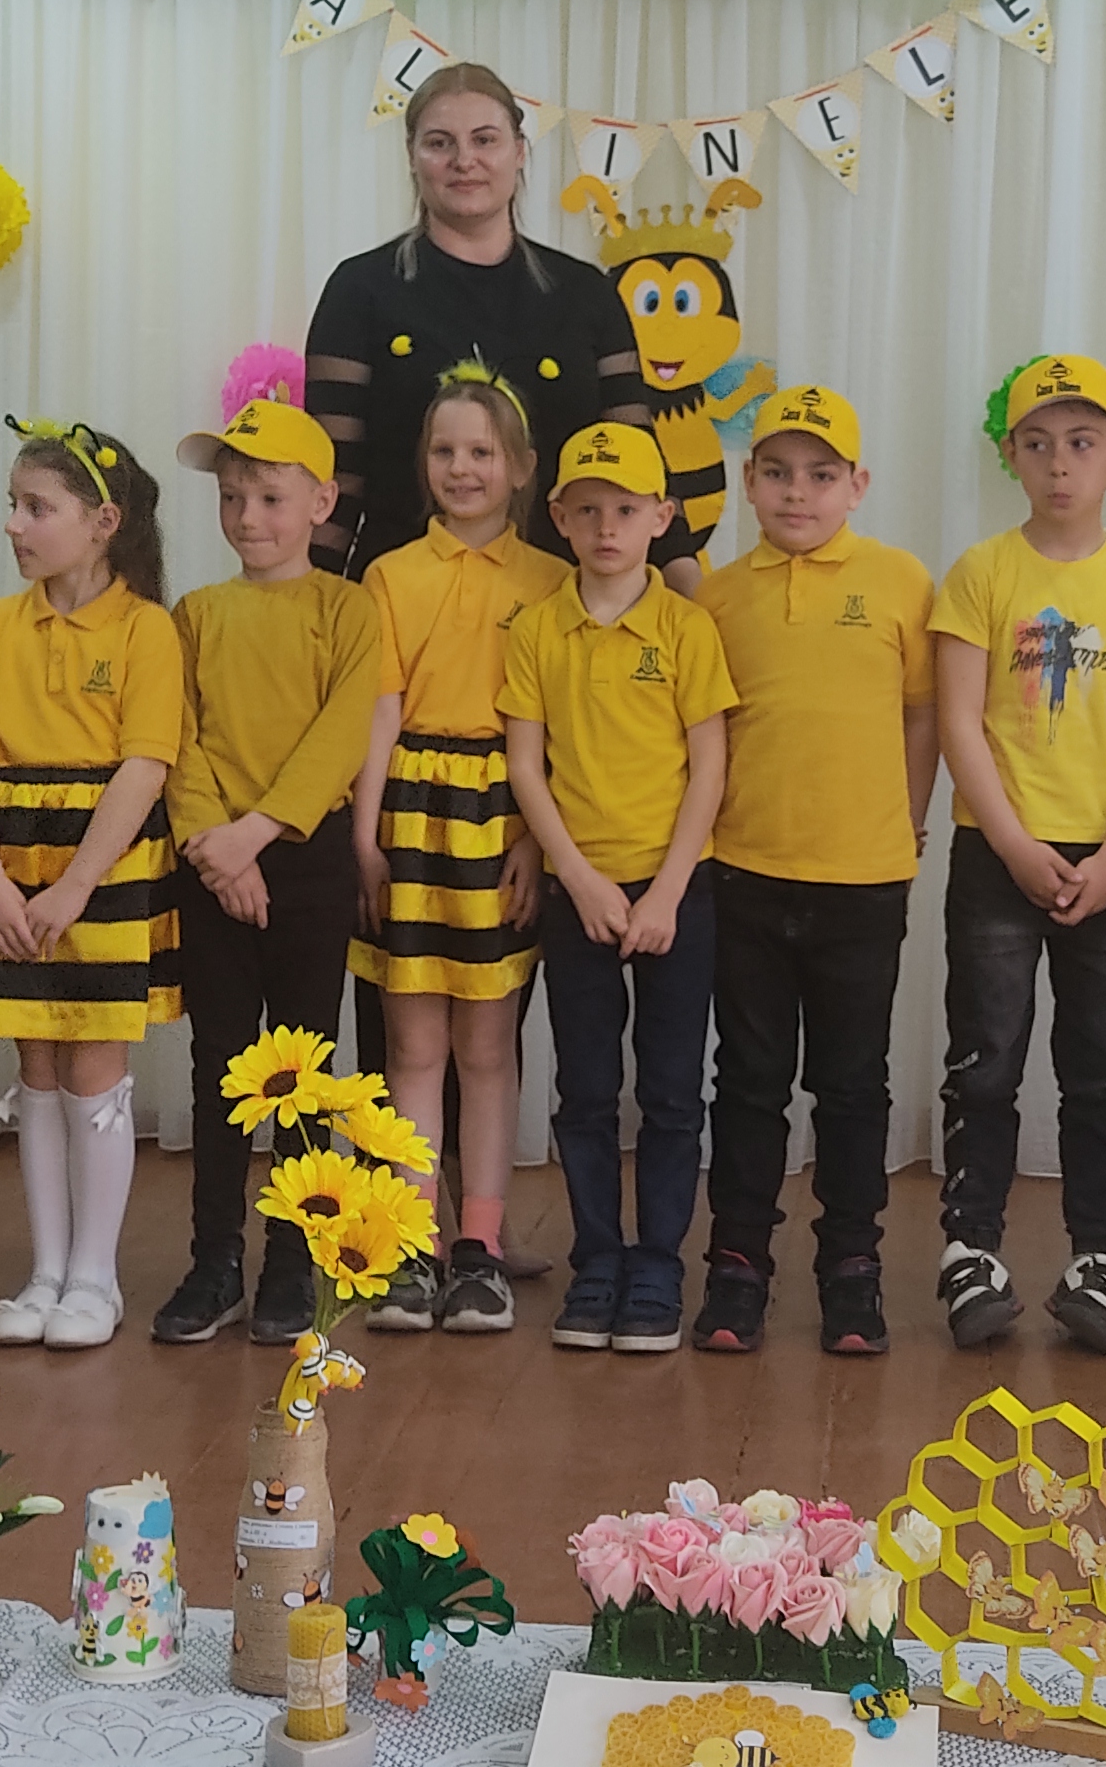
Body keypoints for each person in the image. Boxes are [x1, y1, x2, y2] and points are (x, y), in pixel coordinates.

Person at [0, 420, 186, 1351]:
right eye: (13, 505)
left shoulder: (148, 629)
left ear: (103, 523)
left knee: (93, 1062)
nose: (14, 525)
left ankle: (95, 1278)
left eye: (37, 508)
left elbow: (145, 765)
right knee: (33, 1062)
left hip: (99, 865)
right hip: (7, 859)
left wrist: (73, 888)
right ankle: (45, 1271)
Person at [928, 353, 1106, 1355]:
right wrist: (1015, 843)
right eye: (1037, 444)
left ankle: (1101, 1254)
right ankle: (969, 1248)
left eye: (1081, 443)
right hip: (998, 853)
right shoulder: (981, 573)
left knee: (1101, 1067)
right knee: (985, 1060)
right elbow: (959, 721)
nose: (1060, 463)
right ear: (1010, 456)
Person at [690, 385, 936, 1356]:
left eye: (821, 475)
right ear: (749, 482)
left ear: (856, 485)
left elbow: (921, 712)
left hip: (863, 878)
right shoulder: (718, 595)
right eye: (778, 473)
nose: (799, 492)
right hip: (743, 872)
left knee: (852, 1082)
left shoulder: (900, 582)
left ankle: (852, 1266)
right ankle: (738, 1262)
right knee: (748, 1080)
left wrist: (907, 819)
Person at [151, 398, 384, 1347]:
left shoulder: (348, 610)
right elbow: (180, 736)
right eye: (232, 497)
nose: (249, 517)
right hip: (212, 865)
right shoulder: (195, 615)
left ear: (321, 502)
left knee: (301, 1067)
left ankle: (293, 1257)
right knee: (220, 1065)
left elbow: (341, 736)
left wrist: (254, 834)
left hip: (306, 859)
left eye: (271, 497)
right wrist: (216, 846)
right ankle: (214, 1260)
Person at [500, 421, 736, 1353]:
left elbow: (709, 767)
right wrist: (580, 878)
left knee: (673, 1091)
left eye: (627, 510)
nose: (607, 528)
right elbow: (527, 768)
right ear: (558, 517)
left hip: (677, 889)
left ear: (661, 517)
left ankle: (659, 1265)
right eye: (588, 509)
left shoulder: (686, 628)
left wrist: (667, 892)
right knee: (586, 1089)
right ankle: (597, 1259)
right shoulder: (536, 629)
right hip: (581, 892)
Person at [346, 366, 573, 1334]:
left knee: (487, 1045)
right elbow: (380, 708)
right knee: (412, 1044)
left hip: (503, 808)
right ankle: (411, 1244)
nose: (462, 467)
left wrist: (534, 843)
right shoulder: (391, 575)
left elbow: (553, 728)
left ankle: (478, 1245)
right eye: (444, 450)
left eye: (482, 451)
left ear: (521, 468)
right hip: (412, 811)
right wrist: (366, 833)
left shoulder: (552, 580)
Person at [302, 62, 657, 575]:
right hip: (397, 598)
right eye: (440, 143)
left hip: (561, 598)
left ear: (519, 151)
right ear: (412, 155)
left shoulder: (588, 294)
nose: (464, 161)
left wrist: (682, 580)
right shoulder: (358, 290)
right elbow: (333, 479)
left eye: (485, 140)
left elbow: (639, 468)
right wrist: (312, 597)